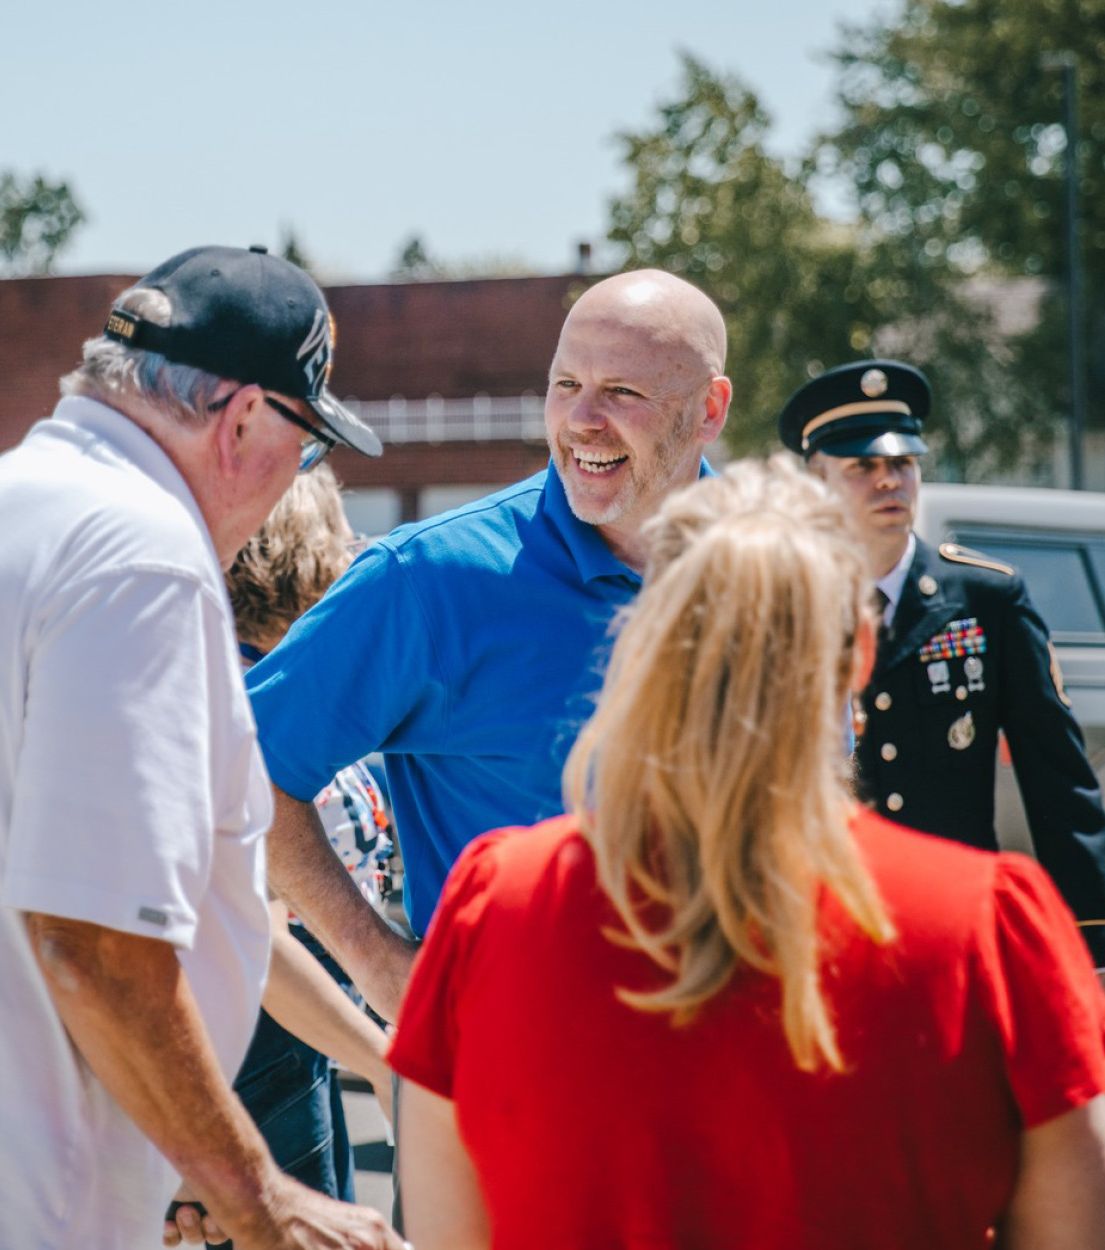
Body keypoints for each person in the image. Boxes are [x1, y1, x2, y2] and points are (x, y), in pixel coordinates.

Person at [387, 455, 1105, 1250]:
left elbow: (447, 1231)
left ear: (647, 637)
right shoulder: (990, 931)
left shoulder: (493, 908)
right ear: (860, 655)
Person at [0, 244, 403, 1250]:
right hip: (19, 1208)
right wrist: (256, 1193)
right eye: (303, 441)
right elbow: (99, 942)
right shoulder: (142, 557)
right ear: (243, 418)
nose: (295, 479)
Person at [246, 268, 732, 1021]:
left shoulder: (774, 573)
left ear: (709, 409)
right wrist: (377, 966)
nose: (581, 420)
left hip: (731, 1067)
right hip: (507, 1079)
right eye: (565, 384)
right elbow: (246, 767)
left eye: (623, 394)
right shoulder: (432, 578)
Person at [778, 359, 1105, 962]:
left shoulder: (986, 599)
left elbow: (1056, 774)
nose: (889, 482)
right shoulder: (783, 604)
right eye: (862, 467)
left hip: (953, 923)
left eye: (902, 463)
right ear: (816, 480)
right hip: (824, 923)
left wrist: (1091, 932)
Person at [224, 467, 394, 1199]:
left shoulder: (297, 679)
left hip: (314, 1042)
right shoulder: (230, 695)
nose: (352, 546)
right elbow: (252, 935)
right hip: (263, 1046)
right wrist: (384, 1061)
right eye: (336, 527)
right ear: (290, 546)